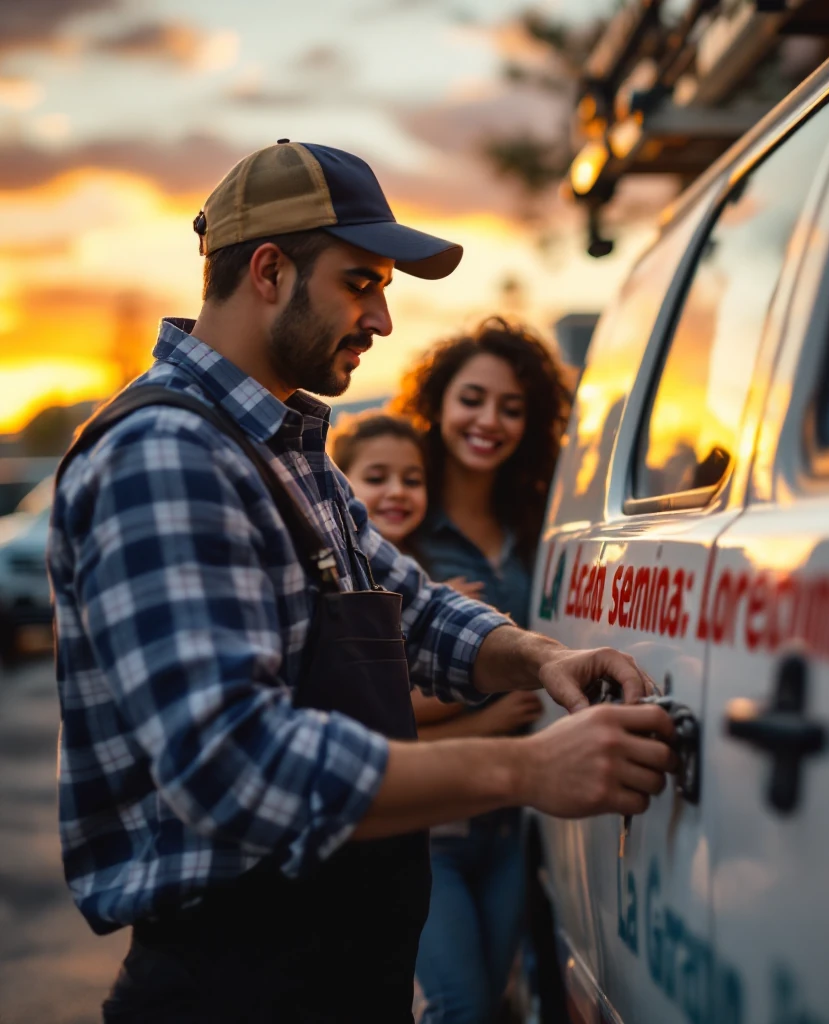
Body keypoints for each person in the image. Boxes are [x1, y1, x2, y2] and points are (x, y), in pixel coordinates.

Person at [46, 140, 677, 1024]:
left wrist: (541, 659)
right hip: (235, 991)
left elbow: (408, 612)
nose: (381, 319)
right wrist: (527, 767)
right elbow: (231, 763)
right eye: (360, 283)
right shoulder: (166, 455)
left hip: (327, 974)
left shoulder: (284, 448)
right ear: (270, 271)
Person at [390, 319, 567, 1023]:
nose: (489, 420)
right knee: (460, 1008)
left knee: (492, 1006)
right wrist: (492, 707)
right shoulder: (401, 532)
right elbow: (371, 708)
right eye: (472, 399)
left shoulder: (540, 526)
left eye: (512, 407)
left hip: (518, 824)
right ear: (436, 403)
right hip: (432, 829)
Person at [331, 411, 482, 600]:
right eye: (376, 479)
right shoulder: (343, 569)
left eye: (412, 481)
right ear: (340, 483)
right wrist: (433, 602)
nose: (398, 492)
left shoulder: (437, 554)